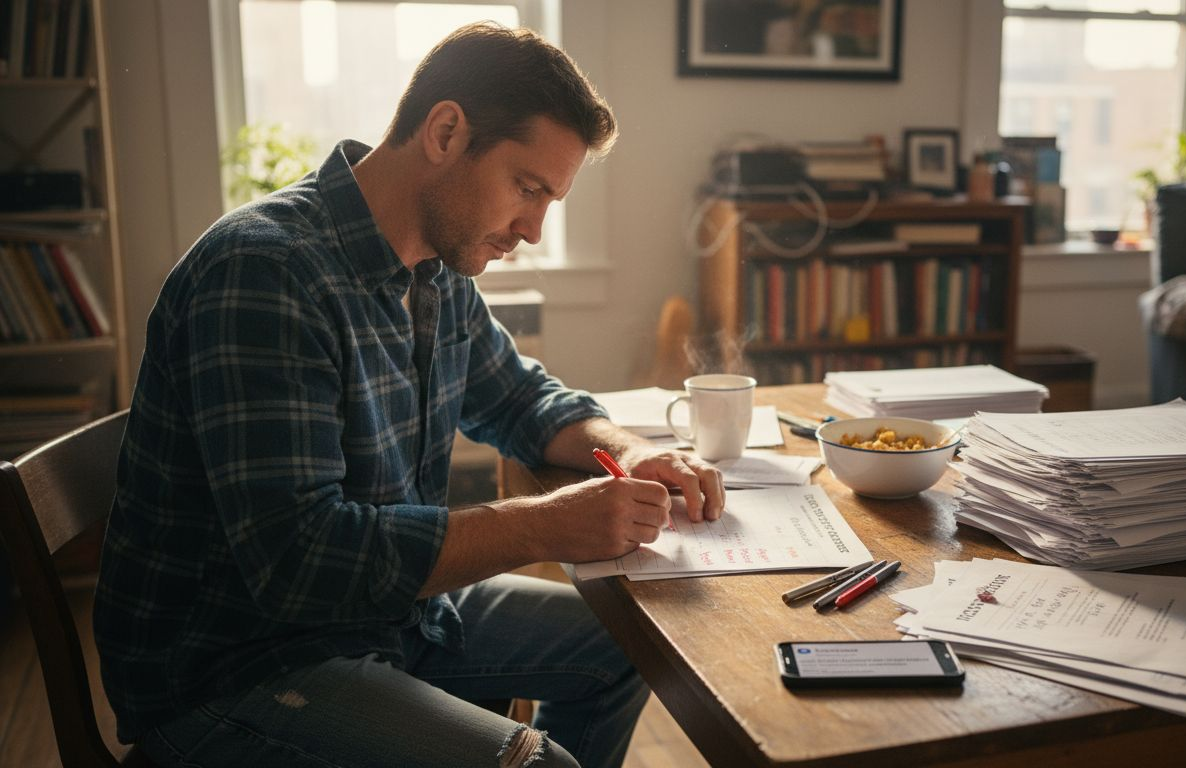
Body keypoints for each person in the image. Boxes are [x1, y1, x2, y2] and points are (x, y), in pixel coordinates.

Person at [93, 22, 724, 768]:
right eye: (527, 189)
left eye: (550, 200)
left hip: (386, 621)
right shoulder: (265, 272)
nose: (531, 229)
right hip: (235, 670)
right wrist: (543, 526)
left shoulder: (438, 266)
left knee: (633, 645)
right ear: (446, 132)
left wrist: (634, 450)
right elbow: (302, 562)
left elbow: (520, 399)